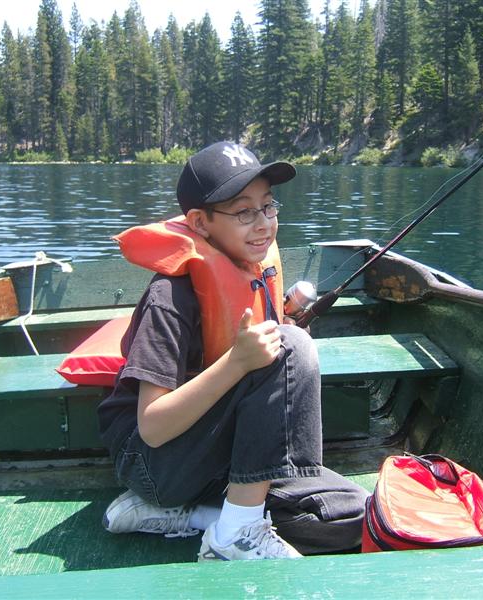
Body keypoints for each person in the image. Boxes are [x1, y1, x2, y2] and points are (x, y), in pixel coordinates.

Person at [97, 141, 368, 561]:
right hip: (153, 464)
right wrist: (239, 361)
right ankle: (234, 535)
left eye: (268, 207)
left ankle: (198, 515)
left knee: (351, 518)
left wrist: (266, 351)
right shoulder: (169, 297)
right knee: (290, 344)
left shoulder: (254, 271)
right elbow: (151, 426)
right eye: (243, 212)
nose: (263, 224)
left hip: (220, 458)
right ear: (200, 223)